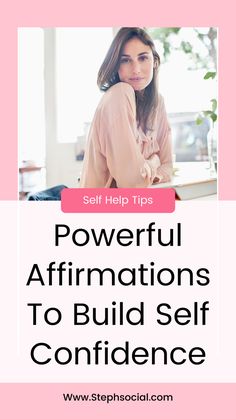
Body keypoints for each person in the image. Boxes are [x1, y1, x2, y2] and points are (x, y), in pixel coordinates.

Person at [80, 27, 172, 188]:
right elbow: (133, 182)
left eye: (143, 58)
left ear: (155, 62)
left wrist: (151, 166)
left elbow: (168, 167)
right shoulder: (119, 94)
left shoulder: (158, 102)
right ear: (116, 65)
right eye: (126, 60)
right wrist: (154, 161)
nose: (136, 69)